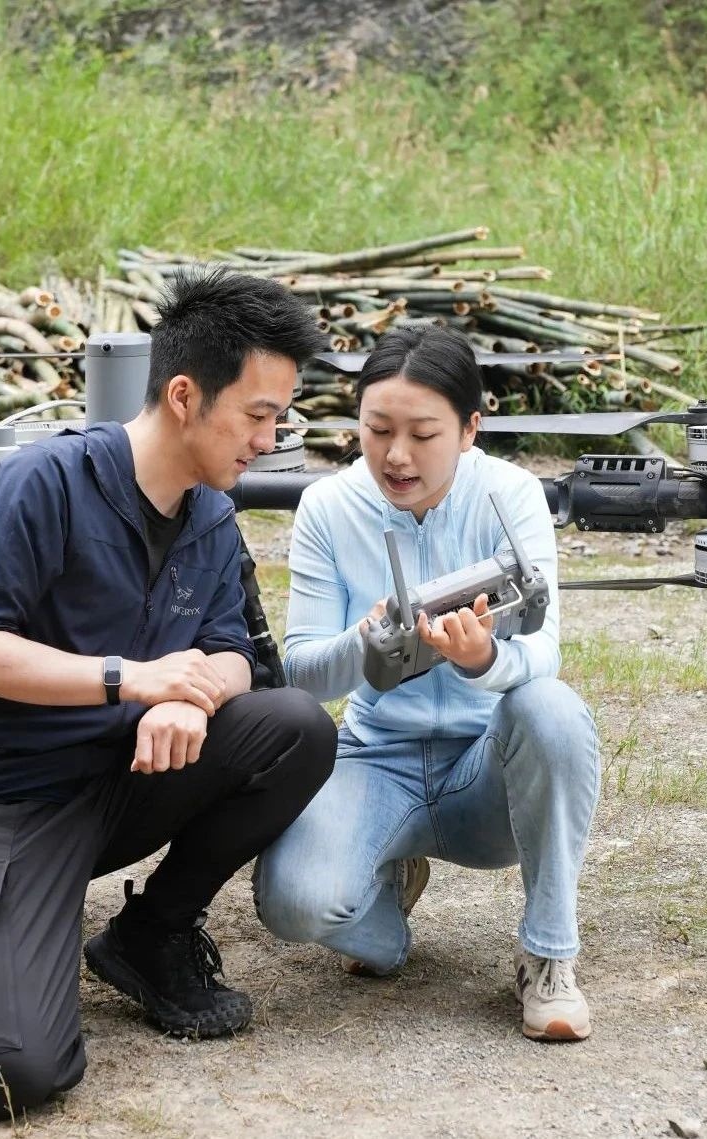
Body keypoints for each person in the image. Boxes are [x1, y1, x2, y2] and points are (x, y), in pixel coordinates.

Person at [0, 268, 337, 1119]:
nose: (268, 439)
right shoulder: (46, 482)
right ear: (184, 395)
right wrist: (133, 678)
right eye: (257, 415)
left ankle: (150, 935)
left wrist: (190, 695)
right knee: (14, 1074)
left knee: (296, 727)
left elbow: (237, 654)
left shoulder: (209, 512)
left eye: (279, 418)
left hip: (120, 779)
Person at [255, 324, 600, 1041]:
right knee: (294, 903)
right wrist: (368, 640)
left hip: (486, 767)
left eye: (423, 433)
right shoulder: (329, 507)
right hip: (376, 757)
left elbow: (543, 650)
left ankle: (549, 955)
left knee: (553, 710)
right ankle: (385, 915)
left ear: (471, 428)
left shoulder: (511, 496)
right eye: (378, 429)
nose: (396, 455)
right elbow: (301, 674)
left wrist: (483, 660)